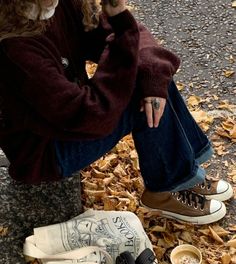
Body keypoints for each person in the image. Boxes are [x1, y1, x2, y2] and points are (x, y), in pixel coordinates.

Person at [0, 0, 233, 225]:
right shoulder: (17, 49)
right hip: (44, 152)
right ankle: (165, 189)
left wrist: (121, 19)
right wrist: (125, 36)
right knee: (140, 96)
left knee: (152, 76)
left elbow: (130, 39)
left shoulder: (55, 5)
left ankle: (186, 171)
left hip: (71, 121)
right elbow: (92, 115)